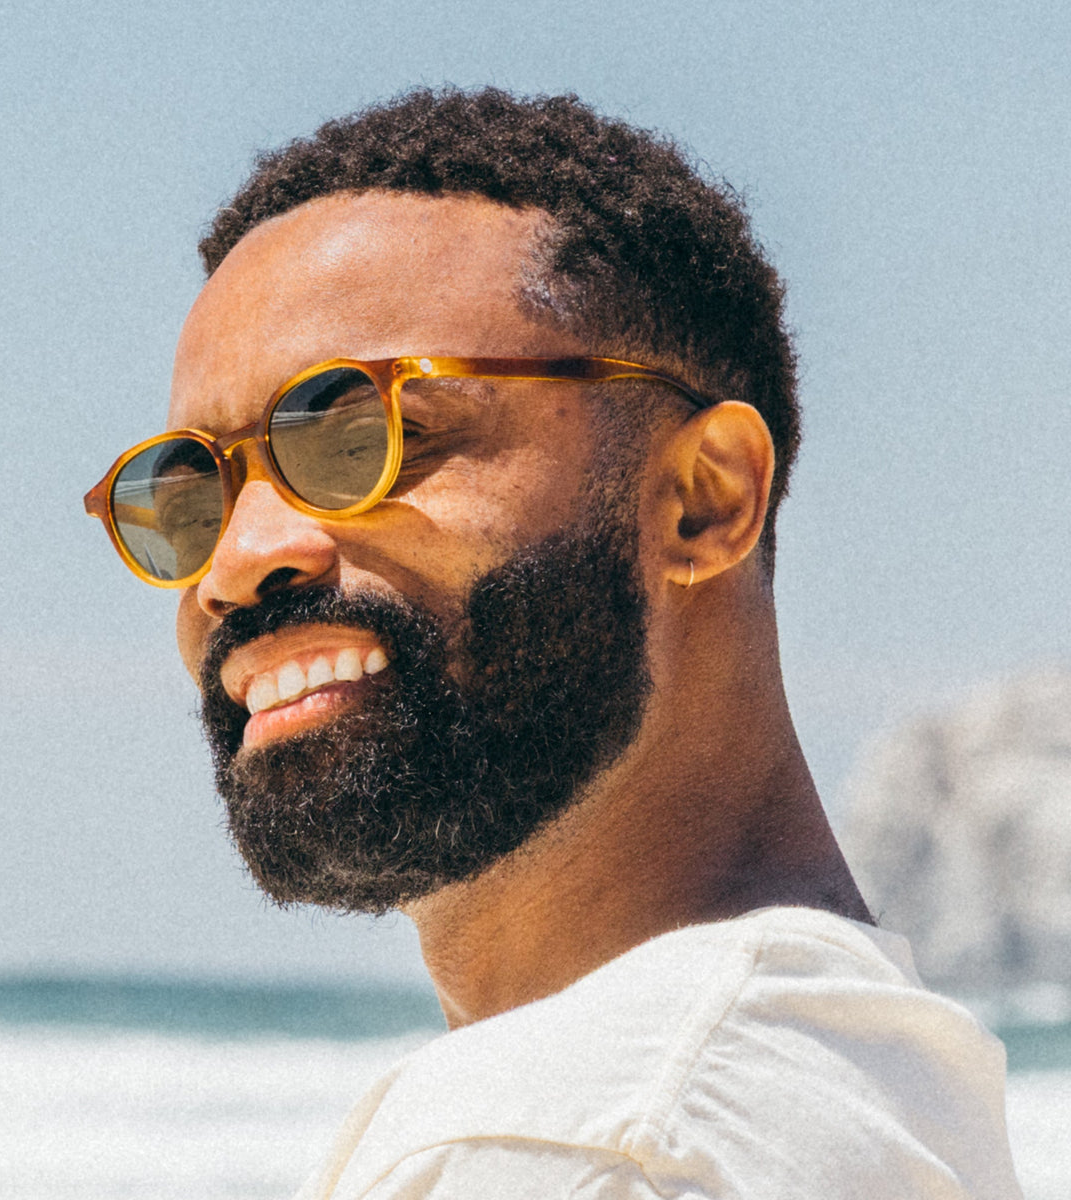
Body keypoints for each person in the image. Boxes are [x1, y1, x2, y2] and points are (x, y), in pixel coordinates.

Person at [85, 88, 1021, 1198]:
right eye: (186, 494)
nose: (235, 559)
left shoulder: (585, 1144)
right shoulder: (862, 1079)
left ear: (703, 501)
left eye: (364, 436)